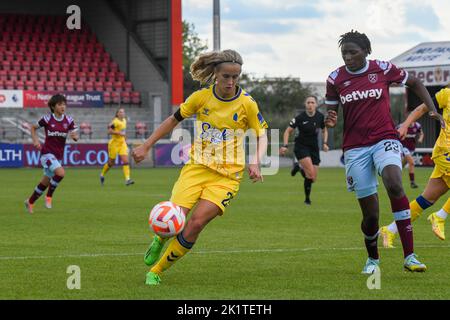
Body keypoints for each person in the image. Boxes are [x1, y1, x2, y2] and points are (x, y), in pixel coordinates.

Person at [132, 49, 268, 286]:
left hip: (227, 178)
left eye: (235, 77)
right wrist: (146, 146)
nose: (231, 82)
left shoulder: (247, 103)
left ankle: (157, 270)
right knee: (177, 218)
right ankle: (160, 238)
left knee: (196, 224)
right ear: (215, 73)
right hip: (197, 168)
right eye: (226, 76)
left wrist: (255, 160)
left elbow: (262, 134)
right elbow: (173, 120)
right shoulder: (201, 98)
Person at [324, 30, 443, 274]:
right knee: (371, 214)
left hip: (384, 138)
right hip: (355, 147)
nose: (348, 57)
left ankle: (410, 255)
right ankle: (373, 259)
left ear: (366, 51)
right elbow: (331, 115)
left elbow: (416, 83)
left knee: (394, 182)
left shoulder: (382, 69)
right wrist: (330, 121)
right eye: (344, 52)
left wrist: (432, 110)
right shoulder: (335, 78)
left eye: (353, 52)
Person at [380, 86, 450, 247]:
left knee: (427, 198)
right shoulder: (446, 95)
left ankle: (390, 230)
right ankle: (440, 216)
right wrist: (405, 124)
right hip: (444, 151)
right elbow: (422, 108)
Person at [24, 94, 78, 213]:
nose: (63, 106)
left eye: (64, 104)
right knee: (60, 173)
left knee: (45, 182)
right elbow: (33, 128)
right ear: (53, 107)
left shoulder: (69, 120)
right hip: (47, 153)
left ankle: (30, 202)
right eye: (60, 104)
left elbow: (75, 135)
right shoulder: (48, 119)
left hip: (58, 155)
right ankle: (49, 197)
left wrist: (75, 136)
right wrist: (36, 140)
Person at [280, 96, 329, 205]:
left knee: (313, 178)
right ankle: (307, 199)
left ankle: (298, 169)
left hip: (314, 148)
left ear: (316, 104)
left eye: (312, 102)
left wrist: (325, 143)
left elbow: (325, 130)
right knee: (310, 174)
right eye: (308, 102)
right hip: (301, 147)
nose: (310, 104)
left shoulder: (320, 117)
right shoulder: (299, 118)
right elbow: (287, 132)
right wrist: (285, 145)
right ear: (305, 104)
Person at [100, 108, 134, 186]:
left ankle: (127, 179)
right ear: (117, 114)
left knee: (126, 161)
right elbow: (109, 131)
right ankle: (102, 174)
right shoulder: (115, 121)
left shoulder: (124, 120)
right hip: (114, 144)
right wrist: (118, 132)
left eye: (123, 112)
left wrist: (124, 137)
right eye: (120, 112)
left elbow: (123, 132)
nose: (122, 113)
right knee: (111, 163)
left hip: (122, 143)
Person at [397, 115, 424, 188]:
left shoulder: (417, 126)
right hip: (403, 147)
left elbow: (421, 133)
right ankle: (412, 182)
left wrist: (421, 138)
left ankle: (395, 177)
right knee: (411, 162)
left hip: (411, 148)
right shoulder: (402, 126)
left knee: (401, 165)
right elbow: (396, 134)